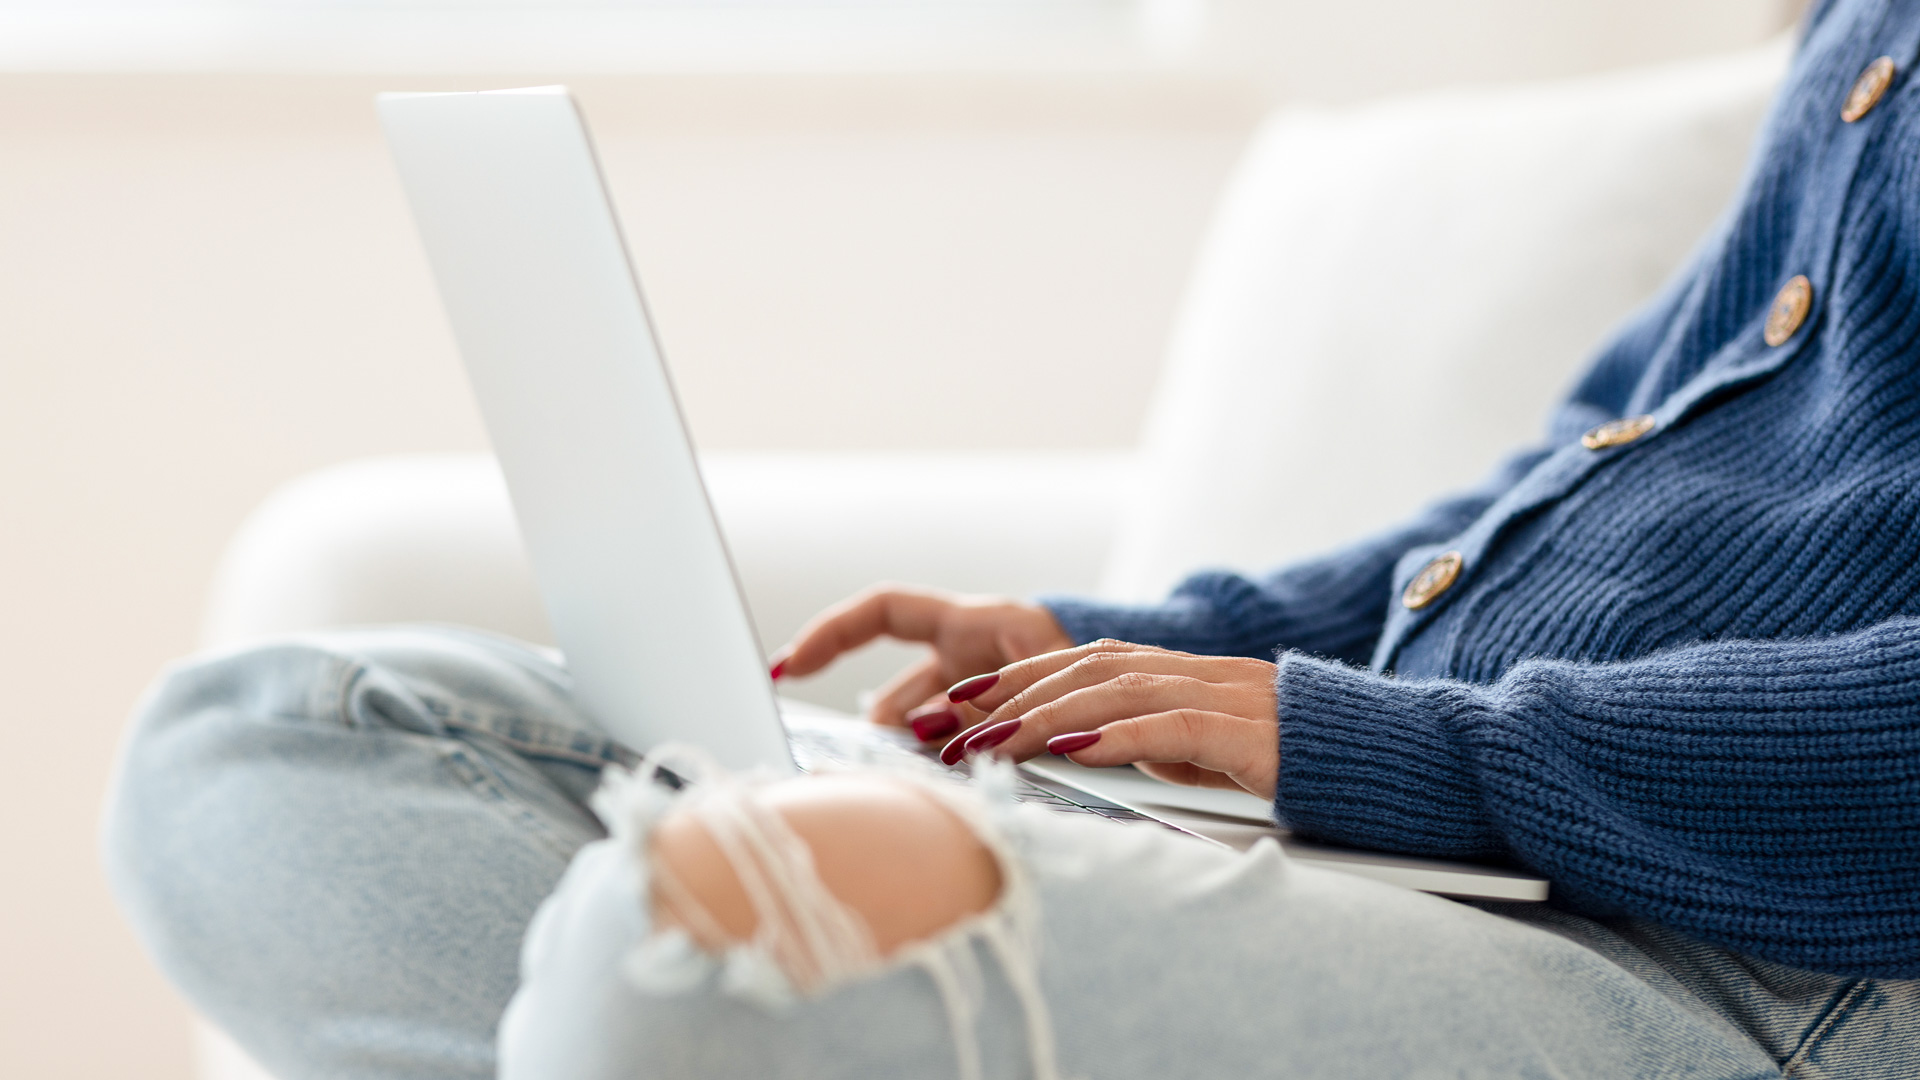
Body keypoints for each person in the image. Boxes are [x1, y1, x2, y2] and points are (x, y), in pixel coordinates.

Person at [103, 1, 1920, 1076]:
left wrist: (1395, 752)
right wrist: (1122, 647)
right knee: (267, 753)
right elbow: (1579, 485)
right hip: (1443, 832)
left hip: (1738, 945)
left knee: (715, 933)